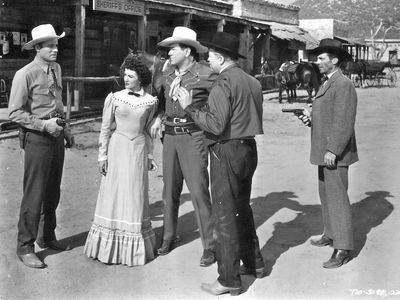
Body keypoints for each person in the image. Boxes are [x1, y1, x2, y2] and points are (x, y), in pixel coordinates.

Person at [176, 32, 265, 296]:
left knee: (225, 215)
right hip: (248, 148)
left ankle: (228, 279)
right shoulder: (252, 81)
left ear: (220, 57)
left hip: (226, 149)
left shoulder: (223, 82)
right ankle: (254, 264)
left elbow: (214, 124)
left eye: (210, 56)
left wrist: (189, 107)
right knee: (242, 208)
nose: (208, 60)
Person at [8, 24, 74, 269]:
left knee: (52, 190)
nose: (55, 49)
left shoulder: (56, 68)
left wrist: (65, 129)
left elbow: (57, 102)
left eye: (56, 44)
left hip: (56, 136)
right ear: (37, 48)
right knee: (34, 192)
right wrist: (45, 126)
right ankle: (25, 246)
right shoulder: (25, 74)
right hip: (37, 138)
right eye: (50, 45)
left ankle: (47, 236)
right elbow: (14, 113)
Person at [150, 26, 216, 267]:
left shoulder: (207, 75)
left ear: (187, 51)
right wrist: (158, 117)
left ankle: (210, 245)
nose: (168, 53)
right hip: (170, 138)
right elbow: (161, 102)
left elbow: (218, 105)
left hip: (193, 137)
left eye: (173, 49)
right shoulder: (167, 77)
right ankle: (168, 236)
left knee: (198, 191)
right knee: (169, 191)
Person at [83, 56, 158, 266]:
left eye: (130, 76)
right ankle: (108, 247)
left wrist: (150, 156)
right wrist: (102, 155)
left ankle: (132, 250)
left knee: (135, 193)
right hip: (117, 148)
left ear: (140, 79)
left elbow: (148, 130)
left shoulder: (151, 101)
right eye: (124, 75)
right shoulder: (114, 97)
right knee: (114, 192)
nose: (125, 79)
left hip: (138, 150)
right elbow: (106, 128)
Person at [298, 38, 358, 269]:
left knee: (337, 198)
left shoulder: (343, 84)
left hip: (335, 153)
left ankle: (343, 247)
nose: (317, 61)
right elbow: (328, 116)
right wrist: (311, 118)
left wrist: (333, 149)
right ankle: (331, 233)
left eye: (322, 58)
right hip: (325, 151)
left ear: (334, 60)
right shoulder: (327, 83)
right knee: (326, 194)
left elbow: (344, 121)